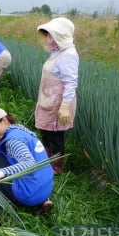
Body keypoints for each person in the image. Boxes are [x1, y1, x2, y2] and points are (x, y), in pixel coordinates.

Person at [0, 106, 54, 213]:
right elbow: (14, 165)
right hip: (44, 189)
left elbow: (29, 163)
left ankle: (26, 197)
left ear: (4, 120)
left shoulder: (12, 141)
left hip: (27, 195)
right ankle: (44, 200)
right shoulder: (22, 132)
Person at [35, 17, 79, 175]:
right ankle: (46, 161)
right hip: (48, 100)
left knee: (55, 135)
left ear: (63, 36)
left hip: (58, 103)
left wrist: (65, 106)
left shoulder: (68, 55)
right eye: (48, 35)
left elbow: (71, 82)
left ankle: (56, 167)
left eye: (53, 36)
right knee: (45, 132)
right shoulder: (56, 52)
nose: (49, 39)